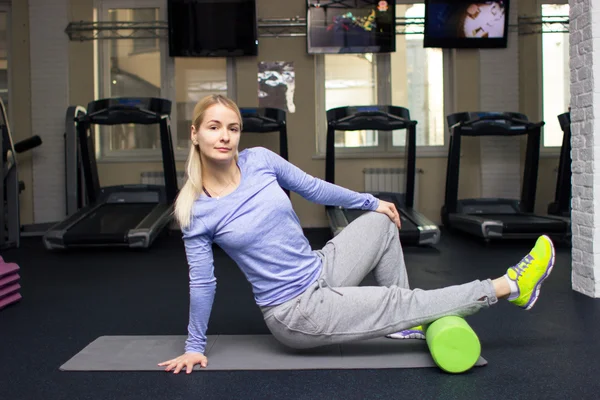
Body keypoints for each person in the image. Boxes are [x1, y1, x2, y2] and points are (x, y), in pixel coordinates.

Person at [158, 94, 555, 374]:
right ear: (195, 134)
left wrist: (370, 202)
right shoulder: (196, 210)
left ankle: (405, 319)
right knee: (401, 300)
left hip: (320, 268)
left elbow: (314, 187)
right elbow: (202, 283)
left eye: (232, 127)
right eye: (214, 127)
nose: (225, 136)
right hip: (296, 312)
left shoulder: (259, 160)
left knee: (382, 222)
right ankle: (509, 286)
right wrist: (194, 346)